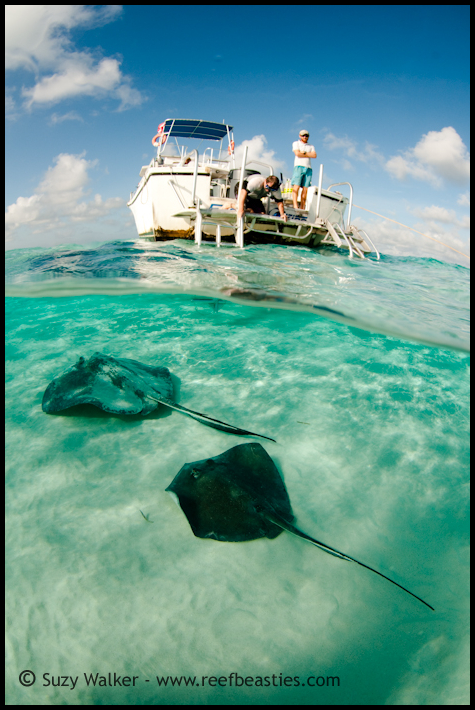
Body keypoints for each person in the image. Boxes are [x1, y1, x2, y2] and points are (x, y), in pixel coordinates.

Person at [291, 130, 317, 209]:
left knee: (305, 189)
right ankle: (295, 206)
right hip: (299, 166)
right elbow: (297, 154)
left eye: (306, 135)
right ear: (300, 136)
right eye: (303, 135)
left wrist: (304, 153)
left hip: (308, 168)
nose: (304, 137)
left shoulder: (311, 146)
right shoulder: (296, 143)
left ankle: (302, 207)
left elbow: (314, 155)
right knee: (297, 187)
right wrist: (308, 154)